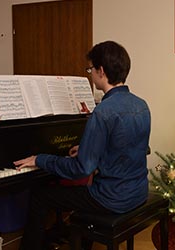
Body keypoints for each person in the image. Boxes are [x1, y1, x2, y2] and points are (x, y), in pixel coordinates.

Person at [14, 40, 151, 250]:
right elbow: (126, 147)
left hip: (112, 198)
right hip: (138, 191)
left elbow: (81, 169)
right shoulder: (142, 105)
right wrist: (89, 149)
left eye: (91, 69)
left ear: (101, 71)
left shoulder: (103, 111)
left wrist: (40, 159)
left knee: (40, 197)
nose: (91, 74)